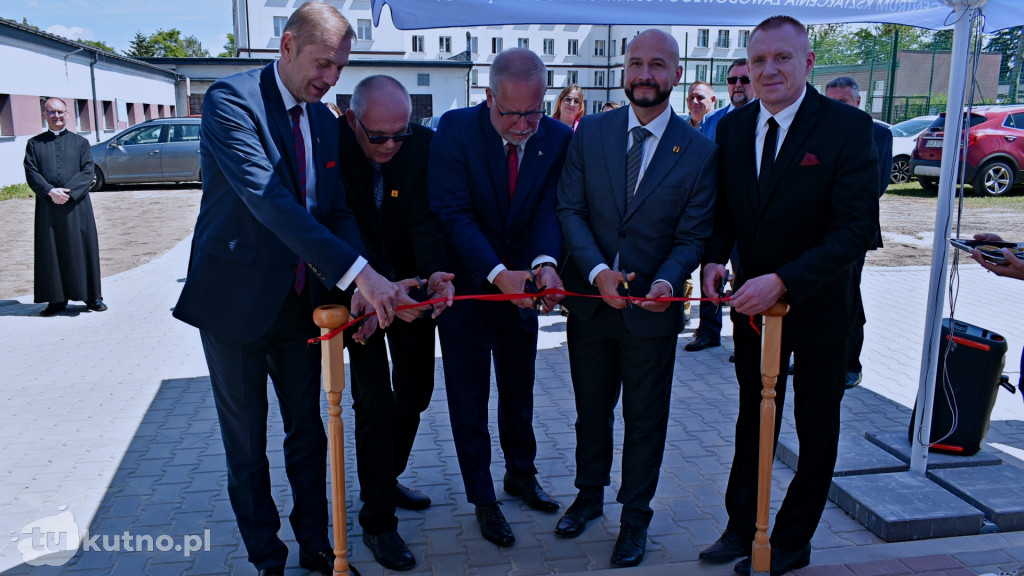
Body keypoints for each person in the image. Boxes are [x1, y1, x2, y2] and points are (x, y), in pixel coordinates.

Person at [172, 4, 413, 575]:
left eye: (340, 67)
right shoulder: (231, 102)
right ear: (286, 46)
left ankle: (316, 544)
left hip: (302, 305)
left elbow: (335, 210)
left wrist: (358, 280)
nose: (331, 77)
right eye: (323, 63)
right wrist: (359, 273)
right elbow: (269, 201)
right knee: (247, 443)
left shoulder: (325, 121)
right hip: (234, 305)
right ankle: (267, 558)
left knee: (308, 432)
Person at [698, 15, 878, 575]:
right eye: (759, 60)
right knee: (753, 418)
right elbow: (727, 210)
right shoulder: (733, 128)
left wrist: (783, 280)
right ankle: (741, 527)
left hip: (821, 307)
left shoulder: (847, 127)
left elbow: (856, 230)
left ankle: (793, 541)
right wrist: (713, 257)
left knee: (816, 425)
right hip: (753, 313)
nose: (768, 69)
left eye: (781, 58)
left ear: (808, 62)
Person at [556, 29, 718, 568]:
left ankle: (635, 518)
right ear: (624, 70)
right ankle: (588, 497)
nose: (645, 75)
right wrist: (598, 271)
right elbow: (570, 209)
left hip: (652, 312)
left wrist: (668, 282)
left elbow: (692, 236)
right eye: (636, 64)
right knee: (590, 412)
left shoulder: (699, 151)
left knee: (645, 421)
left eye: (657, 65)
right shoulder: (591, 132)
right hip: (591, 303)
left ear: (677, 73)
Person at [428, 47, 570, 548]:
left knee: (518, 388)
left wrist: (545, 263)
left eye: (534, 112)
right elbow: (453, 213)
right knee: (469, 396)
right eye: (511, 114)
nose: (524, 125)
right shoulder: (455, 130)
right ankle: (483, 498)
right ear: (488, 96)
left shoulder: (557, 137)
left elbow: (550, 209)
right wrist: (496, 274)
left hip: (523, 290)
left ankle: (520, 474)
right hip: (468, 288)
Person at [338, 75, 454, 571]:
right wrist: (366, 288)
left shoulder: (422, 145)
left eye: (399, 134)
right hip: (356, 295)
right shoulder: (332, 148)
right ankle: (378, 521)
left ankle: (385, 478)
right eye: (378, 136)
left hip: (409, 289)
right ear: (353, 120)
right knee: (374, 404)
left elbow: (425, 218)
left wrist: (433, 272)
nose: (390, 146)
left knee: (416, 390)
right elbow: (332, 223)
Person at [824, 76, 894, 389]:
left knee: (848, 297)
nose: (835, 108)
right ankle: (815, 356)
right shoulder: (819, 132)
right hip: (817, 231)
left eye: (842, 102)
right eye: (830, 102)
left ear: (858, 102)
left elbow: (875, 185)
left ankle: (850, 364)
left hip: (851, 232)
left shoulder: (878, 134)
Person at [685, 58, 756, 353]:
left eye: (744, 79)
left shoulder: (765, 119)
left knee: (746, 275)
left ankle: (745, 338)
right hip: (716, 213)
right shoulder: (713, 122)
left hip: (750, 216)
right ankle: (708, 331)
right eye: (732, 80)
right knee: (710, 271)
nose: (738, 85)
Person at [24, 97, 106, 317]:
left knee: (82, 249)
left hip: (76, 206)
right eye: (51, 112)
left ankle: (92, 296)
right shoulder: (34, 144)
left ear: (68, 114)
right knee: (51, 251)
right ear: (44, 115)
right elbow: (31, 172)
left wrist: (67, 193)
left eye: (60, 112)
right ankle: (56, 299)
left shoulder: (81, 143)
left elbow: (88, 171)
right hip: (48, 207)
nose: (56, 116)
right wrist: (50, 191)